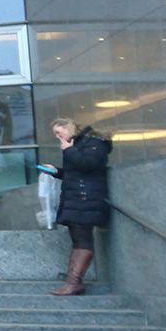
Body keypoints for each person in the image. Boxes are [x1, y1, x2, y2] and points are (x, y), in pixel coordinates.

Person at [48, 117, 110, 296]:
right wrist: (56, 171)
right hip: (76, 199)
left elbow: (88, 165)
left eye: (59, 132)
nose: (58, 136)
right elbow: (75, 172)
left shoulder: (95, 142)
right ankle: (72, 281)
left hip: (86, 199)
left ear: (69, 126)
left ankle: (73, 282)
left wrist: (69, 150)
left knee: (83, 240)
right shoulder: (77, 145)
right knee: (77, 240)